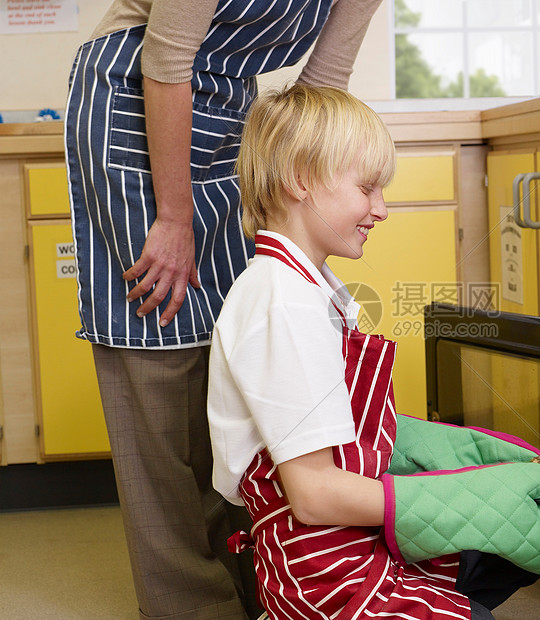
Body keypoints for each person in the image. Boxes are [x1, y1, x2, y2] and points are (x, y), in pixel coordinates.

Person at [207, 83, 540, 620]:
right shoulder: (282, 302)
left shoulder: (310, 287)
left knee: (514, 539)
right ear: (299, 180)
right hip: (325, 573)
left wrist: (467, 462)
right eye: (368, 188)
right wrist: (471, 495)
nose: (382, 209)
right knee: (490, 542)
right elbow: (312, 496)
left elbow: (349, 431)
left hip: (356, 542)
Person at [64, 1, 382, 618]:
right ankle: (189, 604)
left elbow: (320, 88)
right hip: (137, 97)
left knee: (241, 347)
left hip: (235, 110)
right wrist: (174, 218)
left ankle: (259, 582)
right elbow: (167, 56)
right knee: (162, 342)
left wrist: (308, 232)